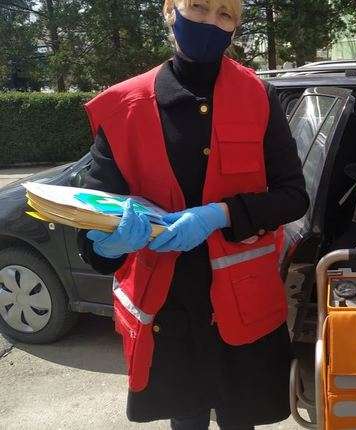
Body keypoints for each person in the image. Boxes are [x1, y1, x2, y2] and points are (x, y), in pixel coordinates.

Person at [75, 1, 309, 429]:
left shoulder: (258, 96)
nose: (210, 22)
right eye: (198, 7)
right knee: (186, 421)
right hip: (170, 312)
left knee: (240, 421)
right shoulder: (124, 108)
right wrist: (107, 243)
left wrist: (220, 214)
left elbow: (293, 197)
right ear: (170, 10)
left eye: (225, 14)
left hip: (242, 306)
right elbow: (92, 224)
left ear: (235, 27)